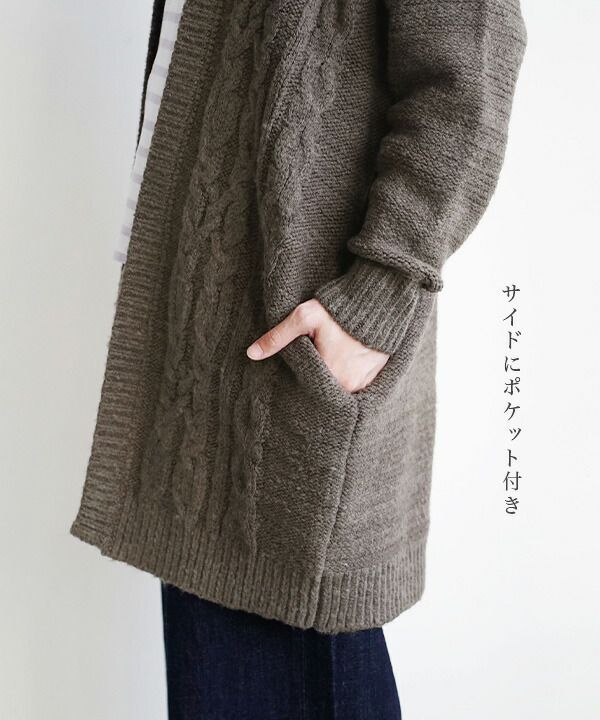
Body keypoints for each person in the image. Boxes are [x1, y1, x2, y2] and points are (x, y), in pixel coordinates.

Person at [70, 1, 527, 717]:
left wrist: (375, 300)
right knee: (221, 662)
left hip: (295, 353)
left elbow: (470, 78)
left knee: (294, 650)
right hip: (205, 337)